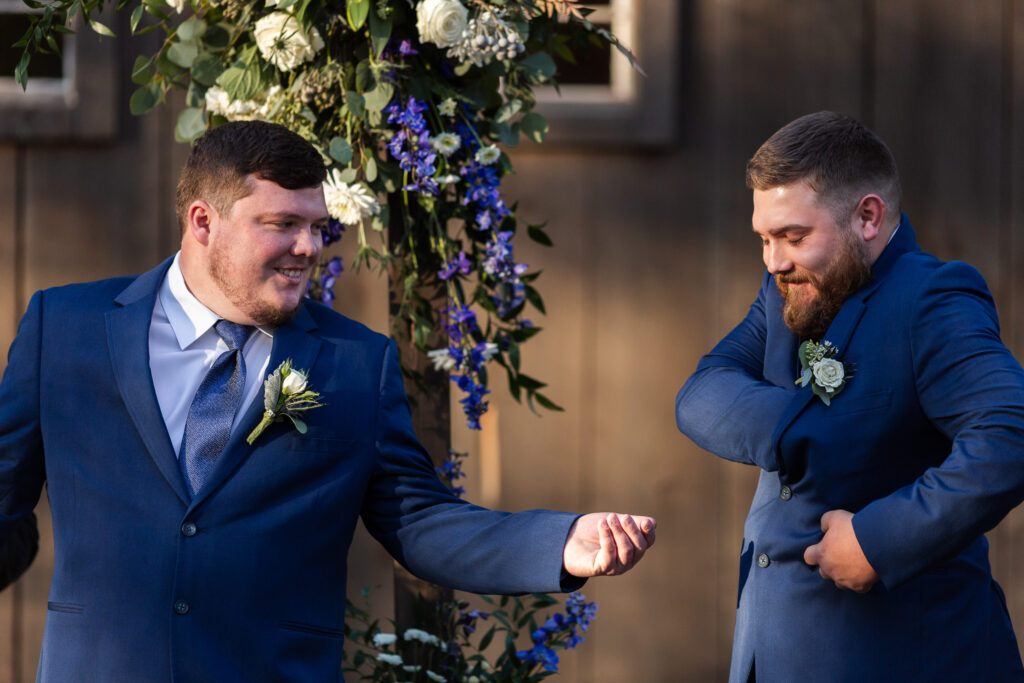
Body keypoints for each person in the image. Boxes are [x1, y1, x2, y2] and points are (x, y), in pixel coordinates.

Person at [0, 120, 656, 681]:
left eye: (317, 227)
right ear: (203, 222)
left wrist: (561, 542)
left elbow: (419, 519)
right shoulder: (66, 329)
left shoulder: (352, 363)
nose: (309, 248)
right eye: (282, 224)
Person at [676, 111, 1024, 682]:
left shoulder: (931, 298)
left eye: (794, 236)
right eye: (764, 238)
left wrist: (878, 540)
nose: (774, 260)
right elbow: (702, 393)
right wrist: (811, 428)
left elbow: (1011, 433)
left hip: (903, 659)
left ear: (867, 216)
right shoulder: (786, 289)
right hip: (772, 653)